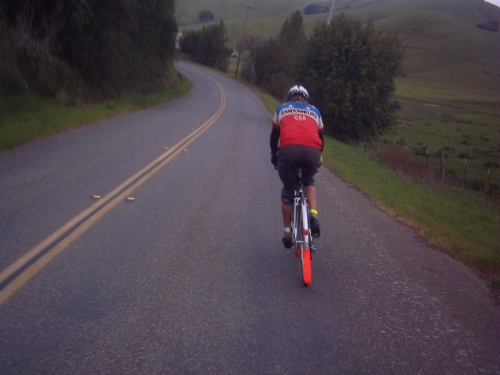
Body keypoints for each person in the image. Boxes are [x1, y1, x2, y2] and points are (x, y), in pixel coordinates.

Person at [270, 85, 324, 248]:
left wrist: (274, 156)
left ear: (290, 98)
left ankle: (287, 233)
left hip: (289, 151)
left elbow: (274, 137)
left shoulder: (281, 109)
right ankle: (313, 215)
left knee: (288, 189)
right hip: (312, 152)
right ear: (306, 99)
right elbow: (321, 137)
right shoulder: (315, 111)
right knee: (309, 181)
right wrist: (318, 157)